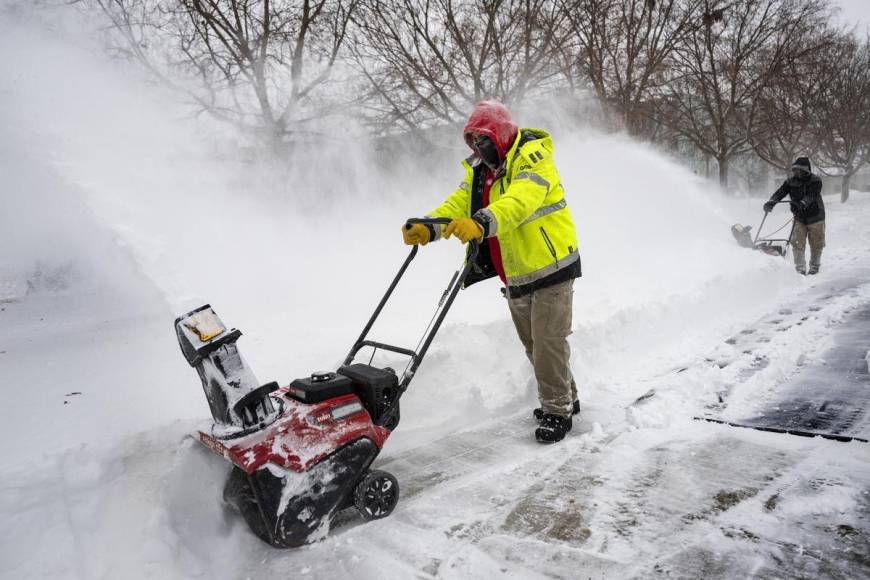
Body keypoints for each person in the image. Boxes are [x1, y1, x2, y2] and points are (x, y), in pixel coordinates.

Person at [400, 99, 582, 443]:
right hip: (515, 273)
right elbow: (458, 205)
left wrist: (483, 222)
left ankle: (558, 411)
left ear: (500, 134)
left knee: (548, 345)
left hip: (551, 266)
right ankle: (567, 398)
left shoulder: (533, 157)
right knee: (536, 346)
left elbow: (520, 200)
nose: (479, 148)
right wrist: (430, 227)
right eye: (473, 142)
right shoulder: (480, 170)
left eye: (483, 140)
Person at [763, 157, 825, 275]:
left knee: (817, 243)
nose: (796, 172)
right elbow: (781, 192)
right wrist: (772, 202)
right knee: (797, 243)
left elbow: (812, 195)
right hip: (799, 217)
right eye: (794, 170)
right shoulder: (790, 182)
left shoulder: (815, 180)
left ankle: (814, 266)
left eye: (799, 170)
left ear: (806, 170)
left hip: (816, 217)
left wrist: (803, 203)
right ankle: (800, 267)